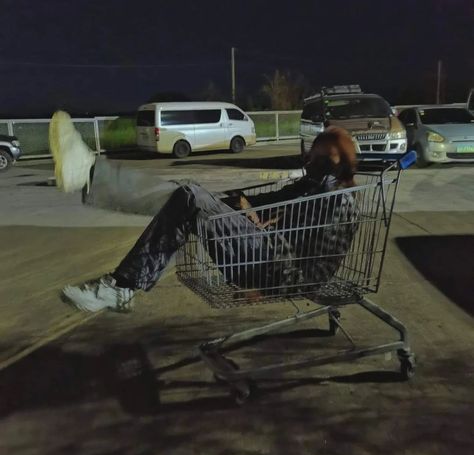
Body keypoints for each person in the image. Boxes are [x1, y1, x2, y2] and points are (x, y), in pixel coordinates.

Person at [55, 118, 358, 312]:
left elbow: (311, 268)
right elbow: (266, 202)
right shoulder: (311, 186)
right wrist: (242, 204)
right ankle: (91, 175)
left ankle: (122, 285)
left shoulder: (339, 202)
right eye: (311, 154)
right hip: (259, 251)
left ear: (336, 160)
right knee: (188, 194)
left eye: (317, 155)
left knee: (190, 197)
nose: (309, 159)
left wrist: (266, 289)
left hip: (269, 267)